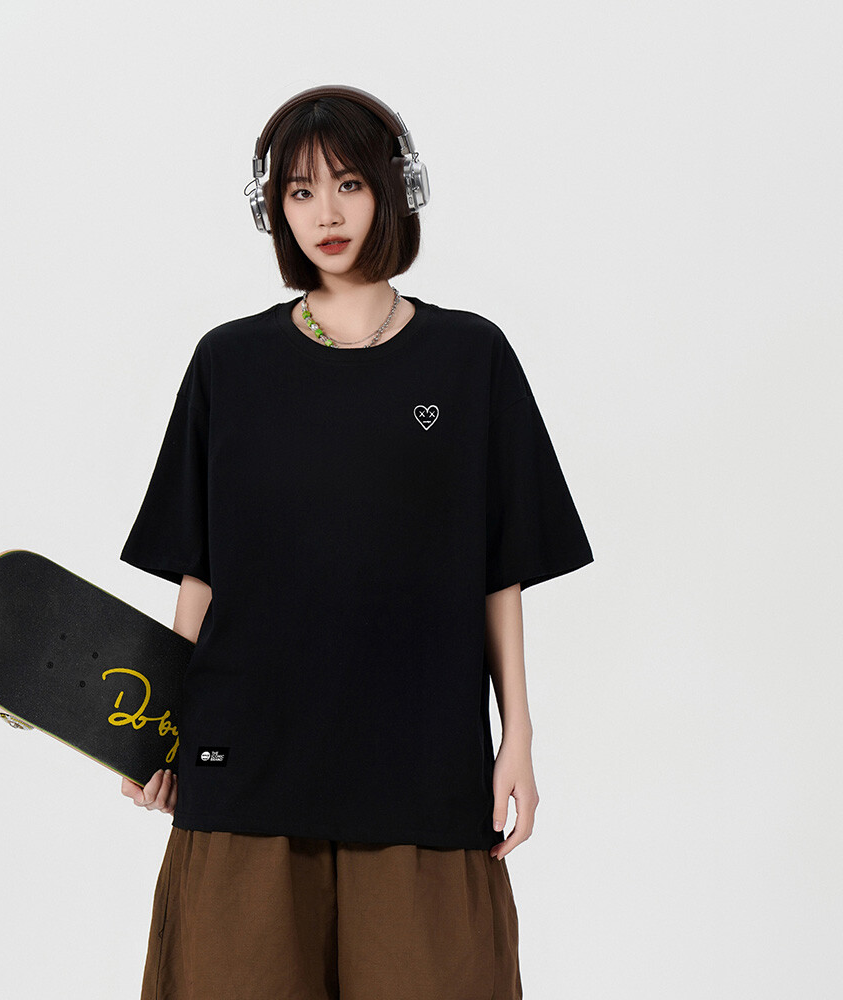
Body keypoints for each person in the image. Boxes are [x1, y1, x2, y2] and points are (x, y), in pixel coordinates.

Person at [118, 84, 593, 1000]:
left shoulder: (471, 358)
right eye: (299, 192)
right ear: (273, 209)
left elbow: (499, 572)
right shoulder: (228, 363)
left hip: (421, 768)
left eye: (347, 184)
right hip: (246, 769)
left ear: (393, 190)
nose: (325, 215)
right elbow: (198, 576)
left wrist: (518, 736)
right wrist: (159, 733)